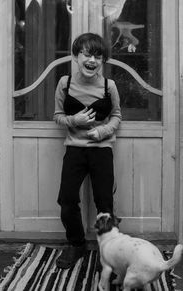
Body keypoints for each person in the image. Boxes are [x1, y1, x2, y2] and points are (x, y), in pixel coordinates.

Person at [53, 32, 122, 269]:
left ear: (103, 61)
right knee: (67, 200)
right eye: (87, 54)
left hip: (102, 150)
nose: (92, 60)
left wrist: (102, 132)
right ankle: (76, 244)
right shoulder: (65, 83)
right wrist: (75, 120)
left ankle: (110, 252)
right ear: (75, 56)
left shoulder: (108, 86)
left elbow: (116, 117)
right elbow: (58, 117)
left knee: (105, 203)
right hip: (75, 150)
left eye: (98, 56)